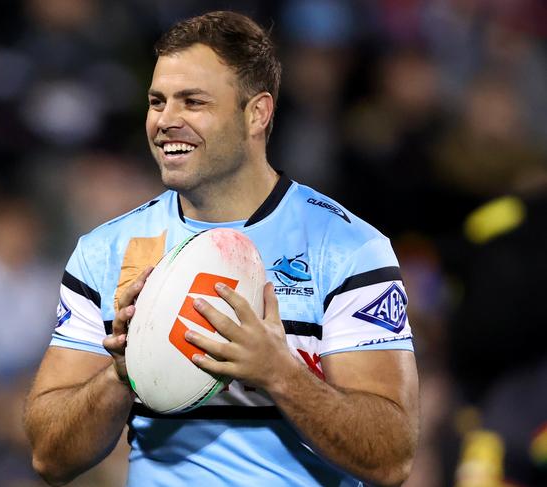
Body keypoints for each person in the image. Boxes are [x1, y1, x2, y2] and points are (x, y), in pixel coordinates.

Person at [24, 11, 419, 487]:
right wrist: (122, 375)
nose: (166, 120)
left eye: (193, 102)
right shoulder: (105, 251)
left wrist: (280, 374)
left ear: (257, 113)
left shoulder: (348, 249)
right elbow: (50, 457)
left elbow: (392, 458)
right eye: (157, 101)